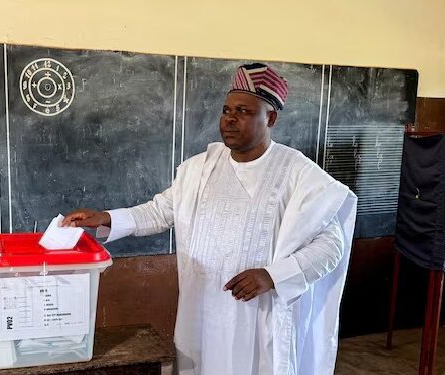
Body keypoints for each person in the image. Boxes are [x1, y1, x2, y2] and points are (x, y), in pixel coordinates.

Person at [62, 63, 357, 375]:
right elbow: (161, 211)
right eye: (226, 109)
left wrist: (272, 276)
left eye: (243, 111)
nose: (229, 119)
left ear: (270, 118)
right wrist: (106, 217)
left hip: (257, 316)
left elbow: (331, 247)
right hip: (201, 311)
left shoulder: (299, 174)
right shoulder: (199, 169)